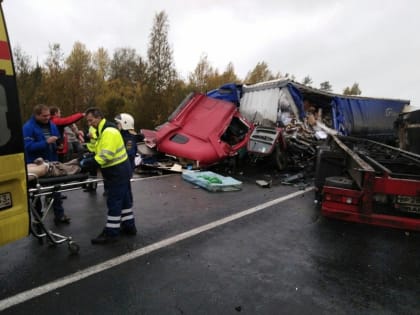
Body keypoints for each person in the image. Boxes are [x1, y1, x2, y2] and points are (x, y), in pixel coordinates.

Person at [83, 107, 137, 244]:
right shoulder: (101, 130)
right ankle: (129, 227)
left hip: (116, 171)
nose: (89, 123)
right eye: (88, 121)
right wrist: (91, 140)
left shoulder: (109, 132)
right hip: (120, 170)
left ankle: (111, 233)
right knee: (124, 200)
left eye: (91, 120)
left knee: (114, 201)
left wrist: (87, 163)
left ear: (98, 117)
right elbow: (96, 149)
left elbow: (105, 155)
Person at [23, 104, 70, 225]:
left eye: (49, 115)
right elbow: (27, 147)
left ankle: (59, 215)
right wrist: (46, 142)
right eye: (44, 116)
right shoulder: (28, 127)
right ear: (36, 115)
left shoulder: (51, 124)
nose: (47, 118)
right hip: (35, 165)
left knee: (56, 189)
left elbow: (57, 138)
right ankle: (38, 218)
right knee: (35, 193)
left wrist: (58, 145)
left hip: (51, 161)